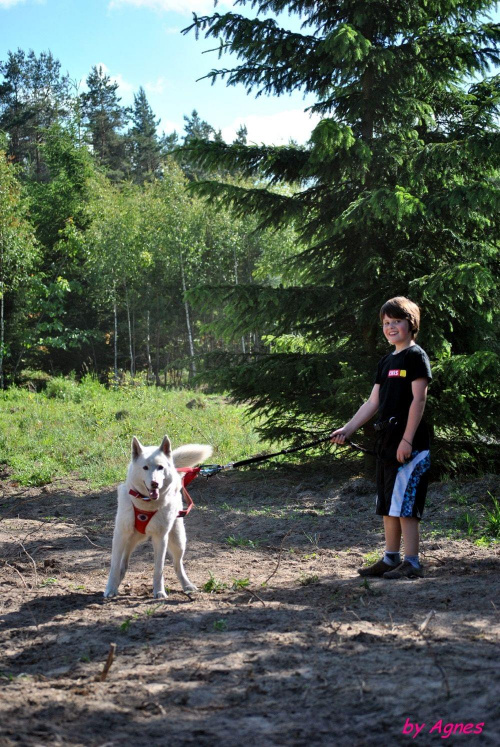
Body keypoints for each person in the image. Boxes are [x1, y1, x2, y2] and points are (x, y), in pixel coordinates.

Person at [331, 296, 432, 579]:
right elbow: (372, 403)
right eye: (386, 323)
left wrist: (407, 440)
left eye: (396, 321)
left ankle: (412, 562)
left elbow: (418, 400)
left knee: (406, 506)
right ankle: (390, 559)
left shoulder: (416, 356)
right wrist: (347, 429)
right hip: (387, 445)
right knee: (388, 504)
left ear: (410, 325)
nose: (390, 327)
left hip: (410, 446)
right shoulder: (386, 360)